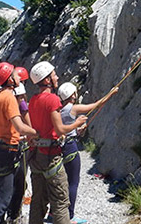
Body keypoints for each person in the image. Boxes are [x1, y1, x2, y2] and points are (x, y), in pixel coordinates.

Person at [27, 61, 88, 224]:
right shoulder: (53, 99)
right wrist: (77, 123)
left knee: (38, 201)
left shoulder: (33, 100)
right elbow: (61, 129)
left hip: (36, 156)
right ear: (47, 80)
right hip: (51, 156)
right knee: (60, 202)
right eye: (54, 75)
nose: (57, 77)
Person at [0, 62, 37, 224]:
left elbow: (2, 127)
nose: (18, 76)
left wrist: (18, 136)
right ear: (10, 79)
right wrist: (35, 133)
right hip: (5, 153)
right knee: (0, 202)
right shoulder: (9, 98)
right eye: (15, 74)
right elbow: (19, 125)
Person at [57, 83, 119, 224]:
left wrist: (77, 130)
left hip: (62, 147)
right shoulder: (73, 108)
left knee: (64, 182)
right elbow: (96, 105)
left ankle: (54, 212)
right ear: (72, 94)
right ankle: (70, 215)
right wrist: (111, 93)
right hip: (71, 147)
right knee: (73, 182)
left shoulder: (59, 110)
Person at [7, 68, 32, 224]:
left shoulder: (2, 98)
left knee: (10, 180)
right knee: (20, 180)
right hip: (20, 143)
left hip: (6, 144)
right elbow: (27, 122)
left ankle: (12, 212)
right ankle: (15, 215)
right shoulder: (20, 103)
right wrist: (34, 133)